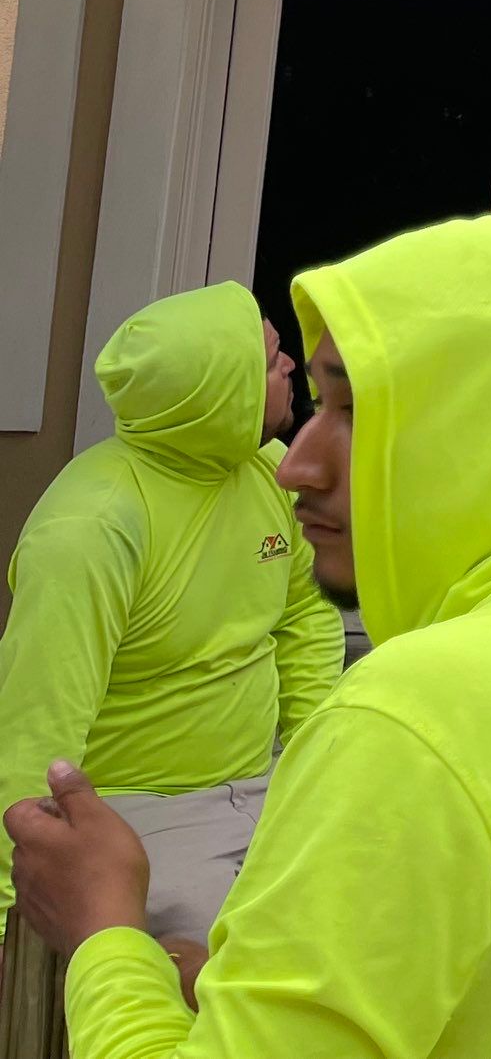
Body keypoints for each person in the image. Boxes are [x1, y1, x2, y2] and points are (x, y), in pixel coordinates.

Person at [3, 215, 491, 1056]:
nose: (296, 462)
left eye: (356, 411)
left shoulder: (408, 728)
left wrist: (105, 935)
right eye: (315, 402)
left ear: (489, 434)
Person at [0, 286, 339, 972]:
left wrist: (319, 764)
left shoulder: (271, 475)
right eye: (271, 356)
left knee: (370, 922)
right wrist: (7, 907)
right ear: (219, 389)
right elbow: (37, 723)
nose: (290, 368)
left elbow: (305, 618)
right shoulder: (92, 529)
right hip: (140, 814)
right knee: (254, 982)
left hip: (267, 784)